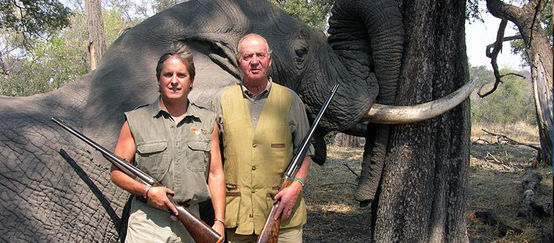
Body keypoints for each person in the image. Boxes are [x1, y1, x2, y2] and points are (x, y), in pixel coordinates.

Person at [110, 47, 225, 242]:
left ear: (191, 81)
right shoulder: (136, 120)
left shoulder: (207, 121)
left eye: (181, 75)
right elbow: (116, 172)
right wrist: (147, 191)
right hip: (147, 223)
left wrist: (220, 220)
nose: (174, 81)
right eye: (167, 75)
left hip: (192, 222)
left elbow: (215, 174)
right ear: (158, 80)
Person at [213, 33, 313, 243]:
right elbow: (213, 162)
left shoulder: (290, 100)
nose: (255, 61)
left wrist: (297, 186)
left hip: (283, 217)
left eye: (260, 55)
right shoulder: (222, 100)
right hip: (238, 218)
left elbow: (305, 152)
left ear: (269, 59)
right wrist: (219, 218)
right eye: (248, 56)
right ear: (239, 62)